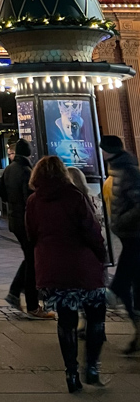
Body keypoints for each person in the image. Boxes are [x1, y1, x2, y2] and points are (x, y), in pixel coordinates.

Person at [26, 156, 107, 392]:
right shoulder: (75, 197)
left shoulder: (33, 201)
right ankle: (92, 366)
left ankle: (71, 373)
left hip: (54, 269)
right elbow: (92, 231)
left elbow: (31, 235)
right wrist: (101, 256)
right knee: (95, 318)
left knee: (66, 321)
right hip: (84, 268)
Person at [0, 139, 52, 319]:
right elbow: (31, 201)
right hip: (26, 222)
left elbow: (2, 194)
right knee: (33, 262)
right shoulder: (26, 171)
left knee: (30, 257)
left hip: (14, 220)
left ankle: (14, 293)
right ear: (29, 153)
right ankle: (32, 305)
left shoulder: (8, 170)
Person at [99, 134, 140, 354]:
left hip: (134, 235)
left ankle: (113, 294)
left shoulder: (128, 171)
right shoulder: (119, 168)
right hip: (128, 235)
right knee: (133, 282)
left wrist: (122, 220)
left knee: (127, 281)